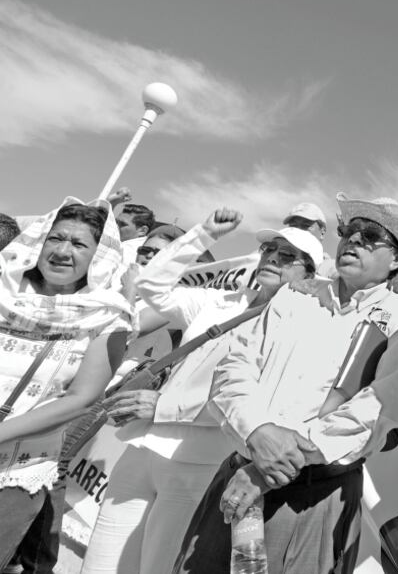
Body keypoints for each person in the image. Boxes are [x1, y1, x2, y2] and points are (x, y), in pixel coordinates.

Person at [173, 193, 398, 574]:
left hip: (314, 494)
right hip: (241, 471)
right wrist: (258, 431)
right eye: (350, 230)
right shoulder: (295, 295)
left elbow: (377, 409)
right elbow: (233, 370)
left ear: (397, 261)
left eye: (371, 235)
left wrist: (270, 469)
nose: (354, 239)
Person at [81, 210, 323, 574]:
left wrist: (165, 407)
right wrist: (203, 235)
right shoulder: (219, 302)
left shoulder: (301, 327)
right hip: (143, 448)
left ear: (309, 273)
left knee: (156, 568)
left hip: (201, 464)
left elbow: (260, 403)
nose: (273, 257)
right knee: (99, 566)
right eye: (269, 249)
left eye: (287, 255)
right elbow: (151, 286)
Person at [0, 199, 132, 573]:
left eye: (79, 244)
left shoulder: (108, 316)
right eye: (55, 238)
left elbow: (81, 399)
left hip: (17, 471)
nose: (62, 251)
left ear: (99, 256)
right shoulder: (3, 289)